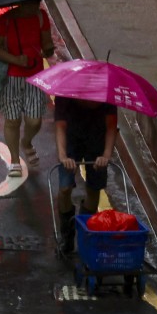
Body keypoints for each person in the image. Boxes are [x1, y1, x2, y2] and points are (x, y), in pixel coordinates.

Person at [0, 0, 55, 177]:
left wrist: (48, 51)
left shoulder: (41, 17)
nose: (35, 7)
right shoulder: (5, 21)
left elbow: (47, 43)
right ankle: (15, 160)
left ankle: (26, 141)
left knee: (34, 121)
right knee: (12, 120)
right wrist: (15, 60)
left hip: (35, 77)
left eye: (37, 3)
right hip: (10, 78)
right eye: (31, 4)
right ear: (21, 3)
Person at [54, 96, 118, 254]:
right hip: (71, 139)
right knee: (64, 188)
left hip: (97, 139)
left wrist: (106, 155)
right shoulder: (65, 93)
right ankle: (66, 236)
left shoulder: (106, 93)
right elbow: (60, 126)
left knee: (94, 189)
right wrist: (63, 156)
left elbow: (111, 126)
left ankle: (86, 232)